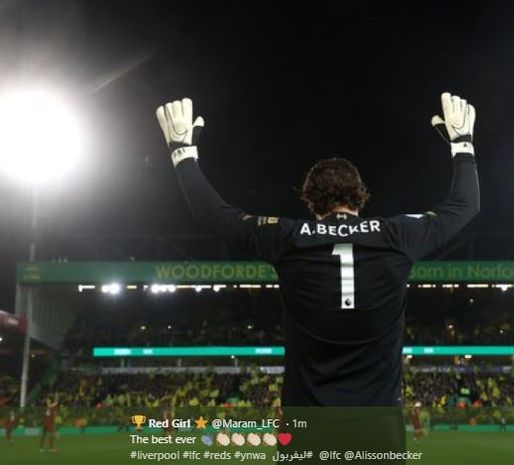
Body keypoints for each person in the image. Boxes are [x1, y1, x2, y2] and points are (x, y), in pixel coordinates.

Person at [156, 92, 479, 461]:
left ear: (309, 198)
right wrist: (462, 145)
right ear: (360, 195)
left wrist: (183, 152)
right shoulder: (397, 236)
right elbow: (465, 205)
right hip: (377, 424)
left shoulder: (288, 238)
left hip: (306, 423)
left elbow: (214, 214)